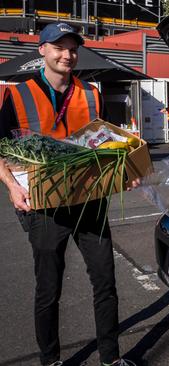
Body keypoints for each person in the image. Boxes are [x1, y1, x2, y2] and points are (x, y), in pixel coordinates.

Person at [0, 23, 135, 366]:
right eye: (59, 47)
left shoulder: (91, 93)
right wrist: (12, 186)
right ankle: (50, 360)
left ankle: (111, 358)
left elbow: (108, 141)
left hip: (90, 200)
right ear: (41, 51)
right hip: (45, 205)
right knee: (49, 290)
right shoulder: (17, 95)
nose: (67, 54)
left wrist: (126, 170)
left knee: (105, 282)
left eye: (72, 48)